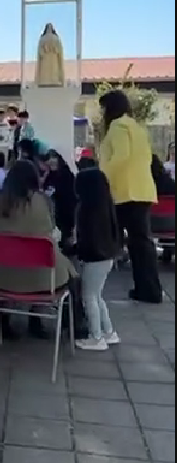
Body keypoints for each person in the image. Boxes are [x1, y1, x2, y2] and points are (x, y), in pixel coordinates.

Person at [0, 160, 73, 338]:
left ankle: (1, 322)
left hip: (2, 278)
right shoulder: (43, 201)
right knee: (68, 269)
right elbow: (51, 229)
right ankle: (44, 322)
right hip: (44, 279)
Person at [99, 89, 162, 304]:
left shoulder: (117, 127)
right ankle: (149, 290)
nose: (102, 113)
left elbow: (120, 157)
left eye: (104, 108)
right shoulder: (137, 128)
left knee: (125, 241)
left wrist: (102, 175)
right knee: (142, 243)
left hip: (125, 191)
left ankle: (145, 290)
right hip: (143, 190)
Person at [74, 168, 121, 350]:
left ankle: (96, 337)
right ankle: (108, 332)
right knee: (97, 295)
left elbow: (86, 239)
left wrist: (74, 249)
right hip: (106, 256)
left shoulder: (86, 210)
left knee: (89, 297)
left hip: (93, 258)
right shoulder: (106, 206)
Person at [42, 150, 77, 246]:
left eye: (53, 158)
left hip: (65, 210)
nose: (51, 161)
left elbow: (69, 196)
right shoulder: (50, 175)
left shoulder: (66, 174)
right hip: (54, 211)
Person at [151, 154, 176, 263]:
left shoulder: (145, 186)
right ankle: (168, 251)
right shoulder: (171, 184)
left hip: (151, 224)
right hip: (171, 225)